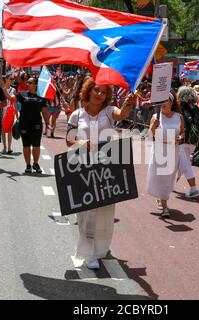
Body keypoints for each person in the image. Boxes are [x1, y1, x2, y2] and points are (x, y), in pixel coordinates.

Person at [66, 77, 133, 270]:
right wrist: (81, 143)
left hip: (107, 166)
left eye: (103, 92)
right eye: (96, 90)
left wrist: (128, 104)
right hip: (82, 167)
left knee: (104, 211)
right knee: (86, 212)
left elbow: (122, 114)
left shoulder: (109, 112)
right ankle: (88, 253)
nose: (99, 94)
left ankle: (100, 248)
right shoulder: (76, 116)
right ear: (88, 91)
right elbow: (69, 141)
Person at [146, 92, 184, 217]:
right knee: (160, 176)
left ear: (172, 102)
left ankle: (162, 198)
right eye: (161, 101)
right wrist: (153, 125)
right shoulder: (156, 116)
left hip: (173, 149)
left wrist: (180, 137)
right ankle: (164, 205)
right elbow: (150, 135)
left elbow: (183, 132)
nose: (163, 103)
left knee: (168, 177)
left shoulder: (179, 117)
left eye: (166, 100)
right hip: (159, 149)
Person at [2, 77, 50, 173]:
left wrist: (48, 124)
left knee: (36, 145)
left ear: (35, 85)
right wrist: (3, 88)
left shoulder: (41, 97)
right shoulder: (21, 94)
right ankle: (28, 165)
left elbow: (44, 112)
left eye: (30, 82)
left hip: (36, 124)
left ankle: (35, 164)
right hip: (24, 124)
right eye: (27, 82)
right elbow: (11, 99)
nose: (27, 83)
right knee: (26, 145)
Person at [177, 86, 199, 199]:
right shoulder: (196, 108)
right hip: (194, 139)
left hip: (182, 138)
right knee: (182, 163)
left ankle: (194, 189)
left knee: (185, 164)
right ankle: (170, 184)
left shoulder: (179, 107)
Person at [1, 73, 18, 154]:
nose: (12, 81)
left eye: (12, 79)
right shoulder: (1, 88)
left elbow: (14, 102)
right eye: (11, 79)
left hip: (10, 112)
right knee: (3, 130)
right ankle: (4, 147)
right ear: (6, 79)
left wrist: (17, 115)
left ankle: (9, 147)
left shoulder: (13, 90)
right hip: (2, 111)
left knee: (10, 130)